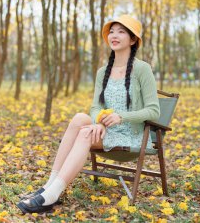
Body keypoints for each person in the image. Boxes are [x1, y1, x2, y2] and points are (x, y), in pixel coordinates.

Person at [17, 14, 160, 214]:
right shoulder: (103, 71)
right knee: (79, 118)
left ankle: (53, 194)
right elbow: (95, 107)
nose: (114, 35)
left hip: (130, 134)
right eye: (111, 31)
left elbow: (154, 110)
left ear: (133, 40)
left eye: (121, 31)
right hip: (105, 130)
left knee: (84, 134)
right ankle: (49, 186)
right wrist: (100, 122)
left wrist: (121, 116)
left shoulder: (142, 69)